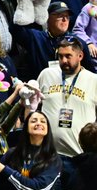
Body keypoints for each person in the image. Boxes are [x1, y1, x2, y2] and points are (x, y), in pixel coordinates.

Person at [37, 36, 97, 168]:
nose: (63, 61)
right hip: (47, 156)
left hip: (79, 157)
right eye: (60, 56)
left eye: (68, 56)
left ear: (80, 56)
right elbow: (32, 107)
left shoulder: (94, 80)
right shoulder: (46, 75)